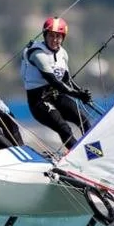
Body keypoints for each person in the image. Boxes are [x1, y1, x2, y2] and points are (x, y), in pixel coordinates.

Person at [20, 17, 93, 150]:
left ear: (63, 38)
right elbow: (54, 81)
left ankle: (94, 154)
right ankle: (77, 156)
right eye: (51, 36)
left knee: (84, 120)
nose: (54, 40)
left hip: (57, 96)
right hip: (39, 102)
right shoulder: (37, 54)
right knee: (64, 129)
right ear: (45, 35)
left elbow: (66, 80)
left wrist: (81, 92)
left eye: (58, 36)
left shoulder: (63, 54)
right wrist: (77, 95)